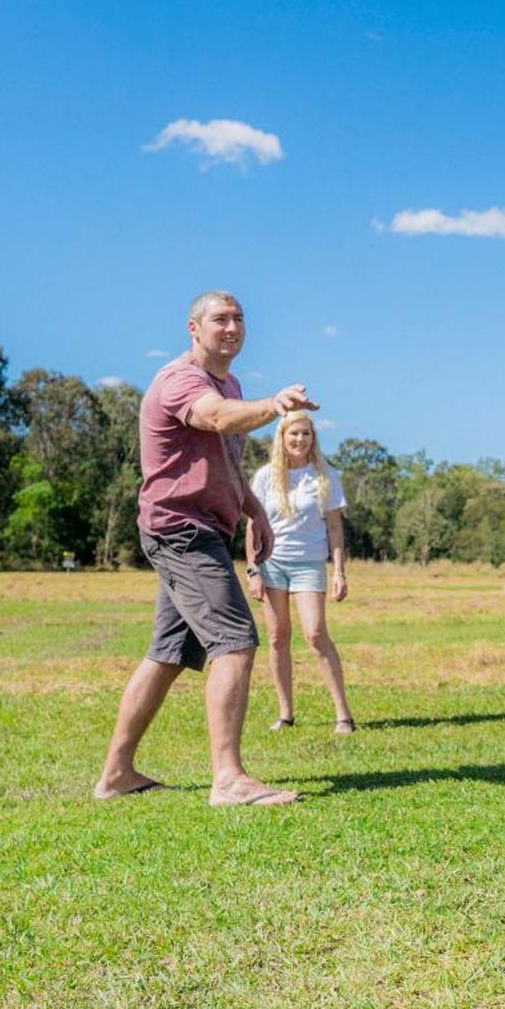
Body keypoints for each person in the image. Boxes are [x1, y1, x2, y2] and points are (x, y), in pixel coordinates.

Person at [94, 290, 317, 806]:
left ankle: (116, 775)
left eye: (239, 318)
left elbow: (227, 457)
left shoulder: (230, 382)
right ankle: (228, 779)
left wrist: (255, 512)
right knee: (236, 640)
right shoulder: (181, 381)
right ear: (193, 328)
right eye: (220, 319)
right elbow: (216, 418)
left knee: (168, 654)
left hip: (208, 527)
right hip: (181, 530)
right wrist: (271, 405)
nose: (233, 327)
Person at [245, 412, 355, 734]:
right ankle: (286, 713)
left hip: (310, 563)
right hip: (272, 563)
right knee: (278, 637)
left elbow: (335, 528)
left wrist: (339, 572)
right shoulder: (265, 477)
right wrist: (253, 569)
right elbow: (253, 526)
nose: (300, 439)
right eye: (294, 433)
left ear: (313, 438)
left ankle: (343, 715)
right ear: (282, 437)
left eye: (306, 434)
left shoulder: (325, 476)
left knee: (315, 634)